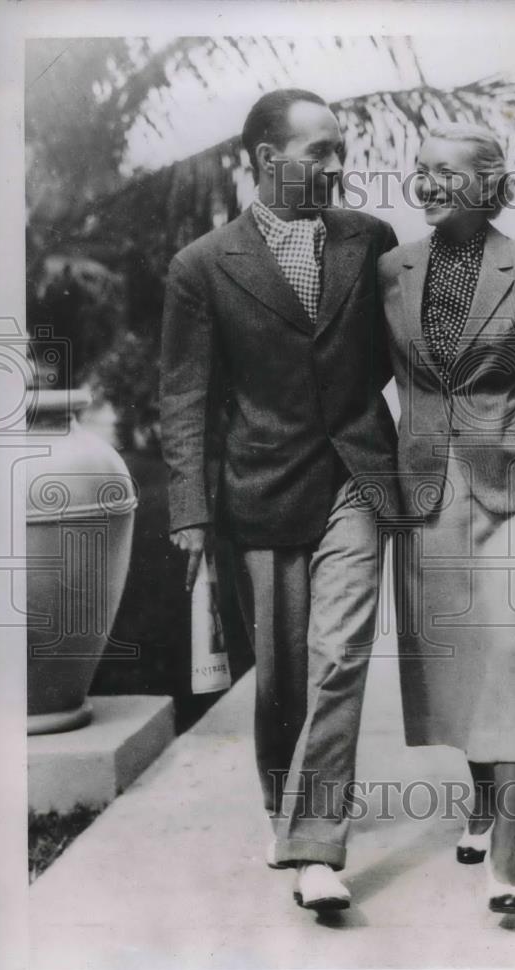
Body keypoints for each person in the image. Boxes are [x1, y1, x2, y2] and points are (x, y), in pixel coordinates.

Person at [160, 88, 399, 912]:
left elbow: (410, 359)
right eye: (321, 150)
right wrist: (189, 511)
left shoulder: (371, 241)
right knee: (282, 679)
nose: (339, 165)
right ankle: (281, 804)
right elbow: (185, 396)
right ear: (269, 160)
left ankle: (313, 849)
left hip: (358, 478)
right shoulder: (202, 265)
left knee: (340, 659)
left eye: (341, 149)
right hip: (259, 489)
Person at [378, 123, 515, 916]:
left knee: (506, 647)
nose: (428, 182)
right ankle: (478, 802)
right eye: (420, 170)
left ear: (487, 183)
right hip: (427, 485)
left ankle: (505, 849)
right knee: (459, 660)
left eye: (444, 171)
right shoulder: (390, 270)